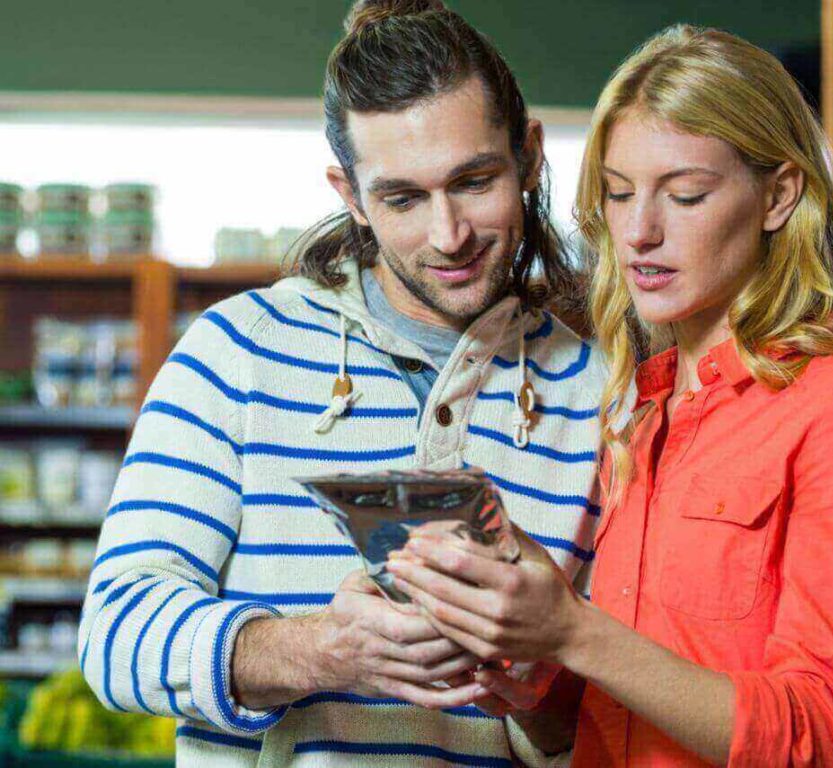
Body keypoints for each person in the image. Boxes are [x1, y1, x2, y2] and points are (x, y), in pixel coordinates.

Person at [386, 24, 833, 767]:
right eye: (618, 194)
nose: (639, 232)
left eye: (685, 195)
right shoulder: (644, 414)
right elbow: (624, 717)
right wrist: (527, 670)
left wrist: (575, 631)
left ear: (779, 195)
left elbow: (830, 738)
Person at [77, 1, 604, 765]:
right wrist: (319, 651)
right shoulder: (234, 355)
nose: (447, 234)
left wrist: (539, 677)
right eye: (402, 198)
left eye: (474, 180)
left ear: (529, 156)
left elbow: (609, 716)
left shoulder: (601, 393)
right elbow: (115, 636)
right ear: (350, 194)